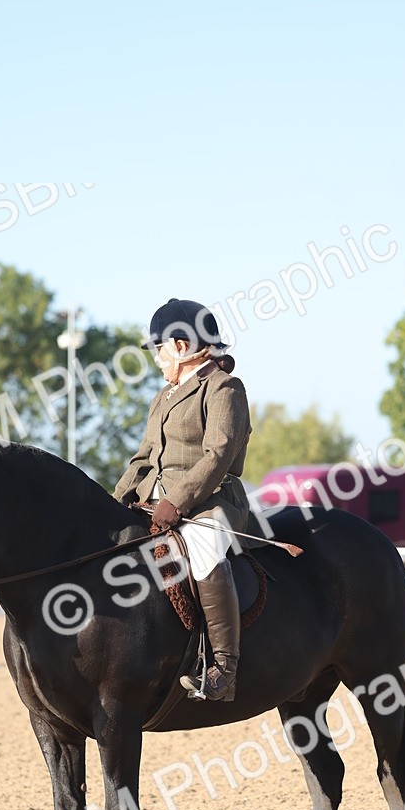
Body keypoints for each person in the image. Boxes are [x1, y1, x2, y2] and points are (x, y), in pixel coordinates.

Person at [114, 298, 252, 701]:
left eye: (158, 349)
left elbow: (219, 454)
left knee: (205, 549)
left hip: (212, 503)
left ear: (180, 345)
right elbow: (142, 458)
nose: (156, 359)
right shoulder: (163, 397)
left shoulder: (225, 388)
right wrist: (114, 501)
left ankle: (224, 669)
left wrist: (177, 500)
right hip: (156, 502)